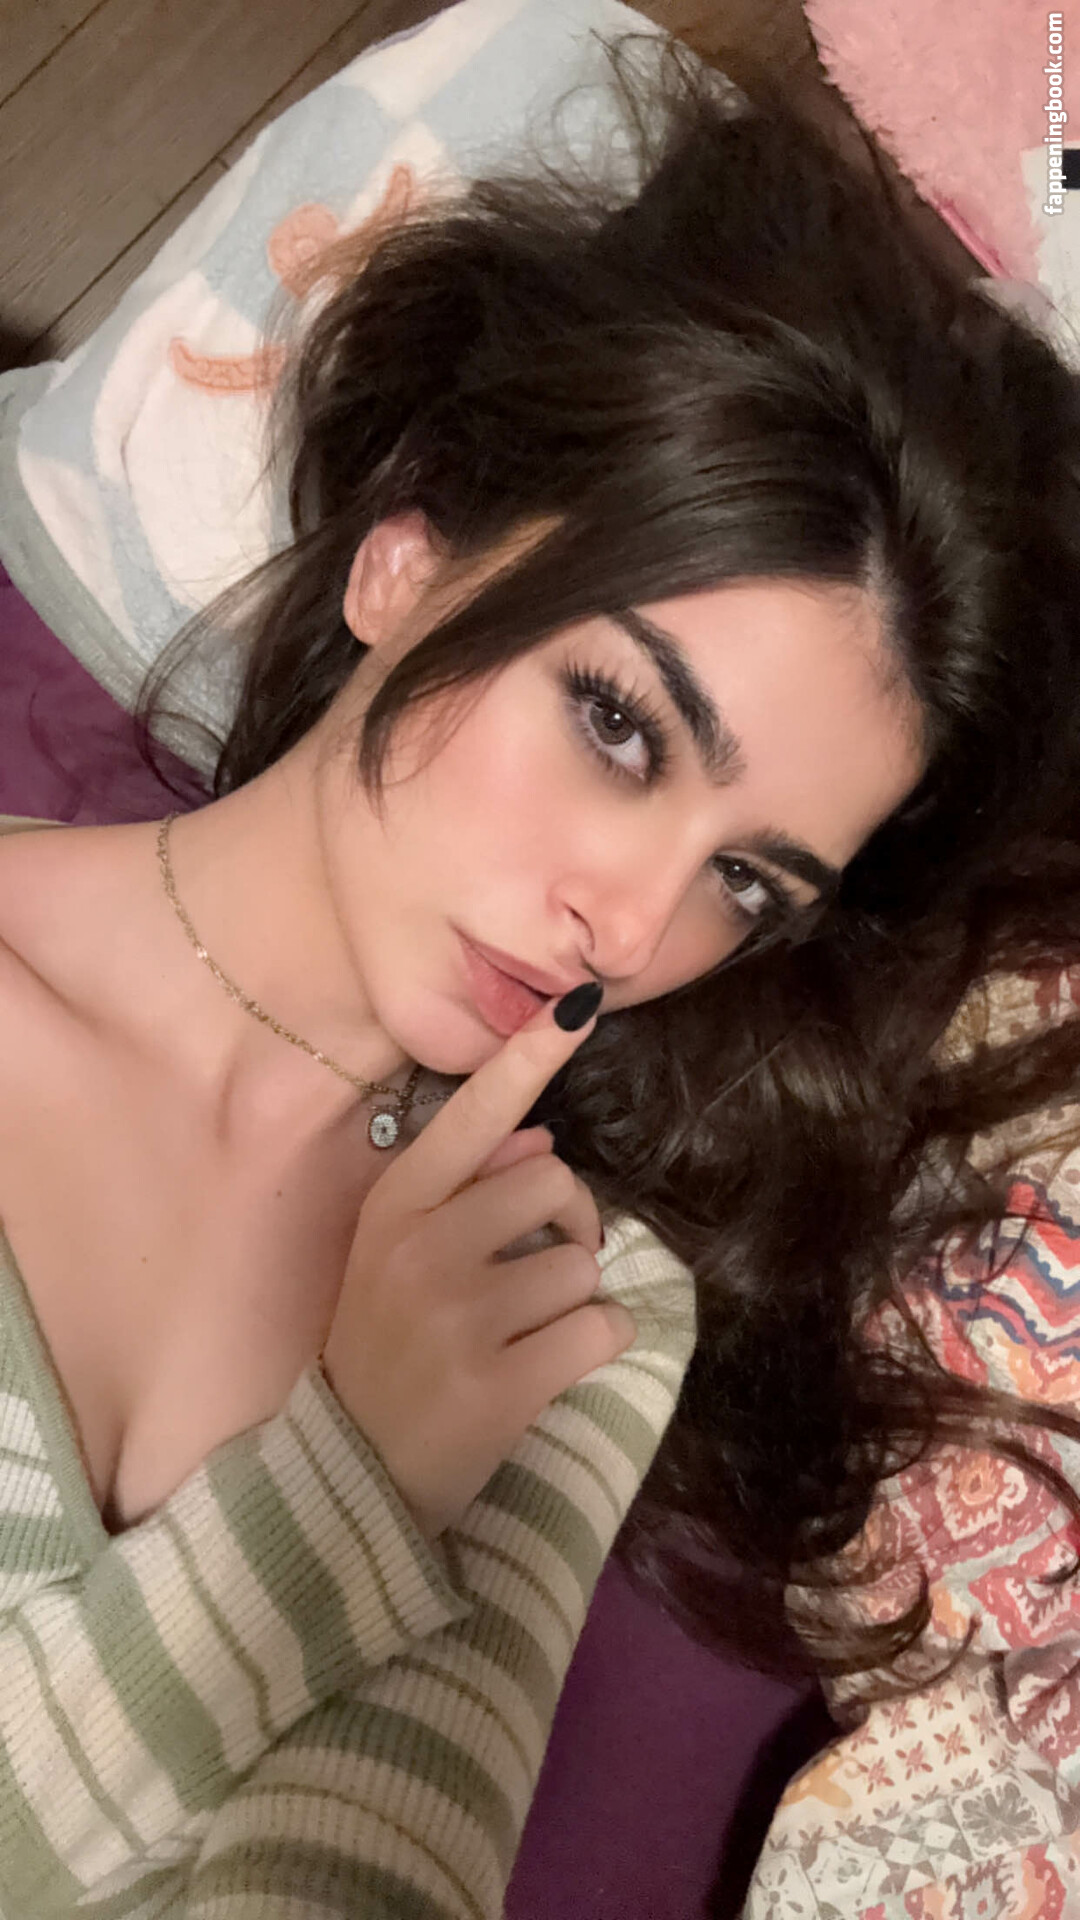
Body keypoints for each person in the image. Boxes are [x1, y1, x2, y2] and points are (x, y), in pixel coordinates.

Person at [1, 29, 1080, 1917]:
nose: (637, 927)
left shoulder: (573, 1293)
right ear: (405, 561)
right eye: (620, 724)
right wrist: (341, 1491)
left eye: (748, 879)